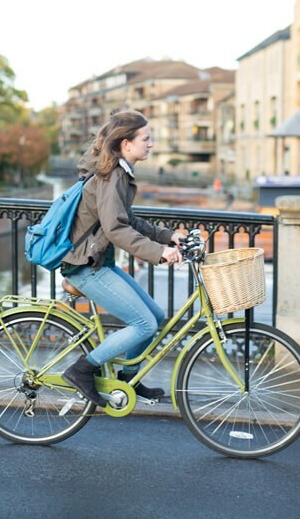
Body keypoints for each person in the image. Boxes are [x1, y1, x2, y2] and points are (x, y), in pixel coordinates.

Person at [61, 110, 185, 407]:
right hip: (85, 266)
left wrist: (167, 237)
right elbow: (116, 229)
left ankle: (127, 379)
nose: (151, 144)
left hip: (100, 263)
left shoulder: (120, 173)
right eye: (146, 138)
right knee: (143, 324)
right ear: (126, 143)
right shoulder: (112, 175)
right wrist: (159, 253)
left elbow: (126, 219)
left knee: (154, 316)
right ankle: (82, 370)